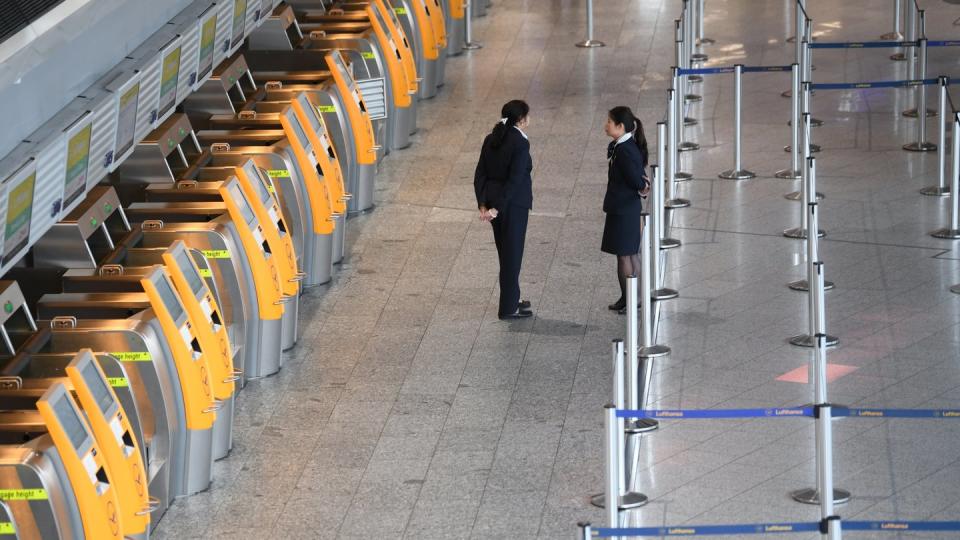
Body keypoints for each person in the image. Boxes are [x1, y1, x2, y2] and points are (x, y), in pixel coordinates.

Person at [474, 100, 534, 320]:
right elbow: (516, 178)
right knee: (512, 255)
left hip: (493, 202)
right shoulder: (519, 143)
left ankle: (513, 297)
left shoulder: (492, 138)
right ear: (521, 119)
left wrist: (484, 204)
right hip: (512, 205)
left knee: (505, 252)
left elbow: (480, 173)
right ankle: (509, 307)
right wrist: (498, 208)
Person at [601, 106, 650, 314]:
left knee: (626, 255)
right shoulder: (623, 145)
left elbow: (634, 179)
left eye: (609, 122)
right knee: (628, 254)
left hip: (624, 209)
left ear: (620, 127)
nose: (606, 125)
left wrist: (643, 187)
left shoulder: (625, 150)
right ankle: (628, 296)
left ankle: (633, 298)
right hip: (623, 207)